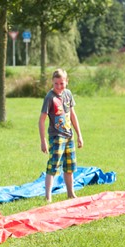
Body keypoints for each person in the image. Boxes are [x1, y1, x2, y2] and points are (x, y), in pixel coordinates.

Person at [39, 69, 83, 202]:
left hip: (69, 136)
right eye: (56, 83)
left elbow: (73, 115)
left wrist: (79, 135)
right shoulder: (50, 98)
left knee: (70, 166)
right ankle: (48, 196)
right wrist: (43, 141)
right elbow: (41, 120)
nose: (59, 86)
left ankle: (70, 193)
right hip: (56, 136)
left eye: (61, 83)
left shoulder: (68, 94)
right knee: (53, 165)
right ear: (52, 82)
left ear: (66, 82)